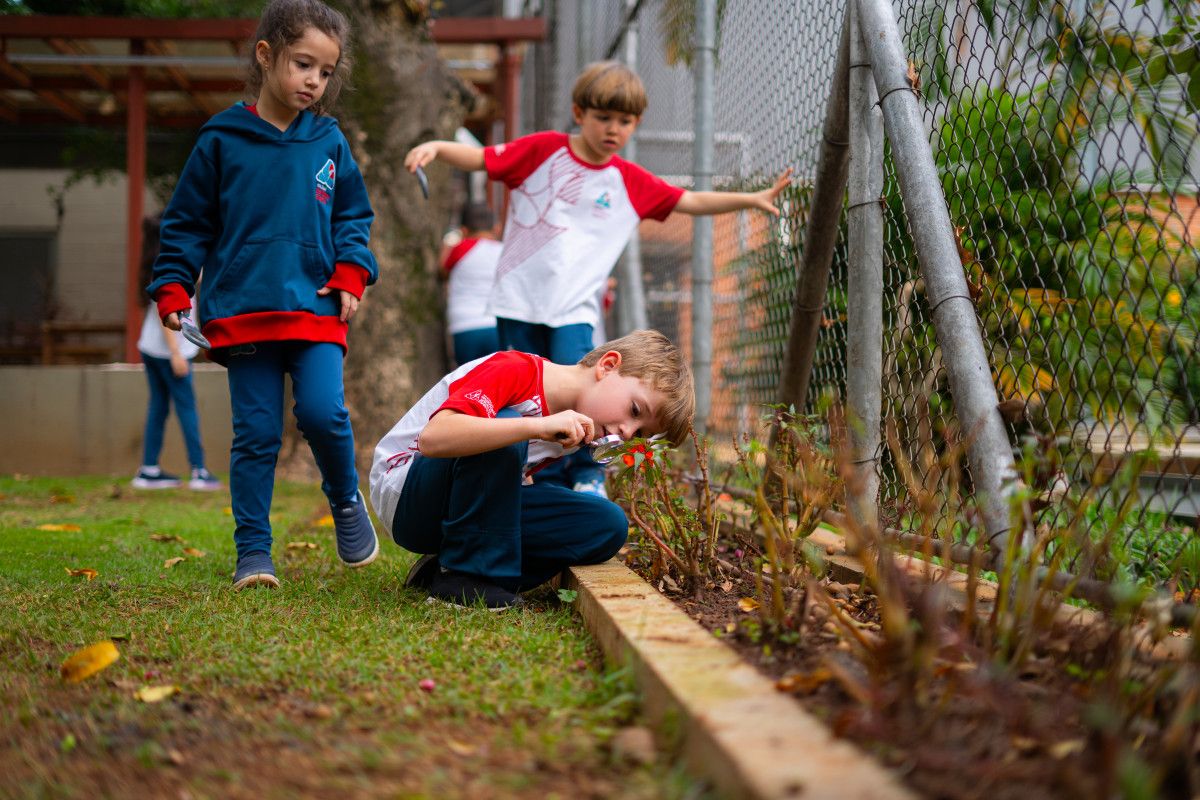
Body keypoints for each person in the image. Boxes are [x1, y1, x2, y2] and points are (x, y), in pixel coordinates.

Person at [404, 60, 789, 496]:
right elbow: (481, 158)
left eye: (624, 121)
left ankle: (588, 474)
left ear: (636, 124)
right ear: (579, 113)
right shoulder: (543, 151)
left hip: (574, 309)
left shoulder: (628, 182)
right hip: (519, 301)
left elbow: (690, 199)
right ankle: (536, 479)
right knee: (527, 400)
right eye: (603, 117)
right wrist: (437, 147)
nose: (612, 129)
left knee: (591, 388)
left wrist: (750, 198)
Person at [147, 0, 379, 590]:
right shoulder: (222, 139)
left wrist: (353, 271)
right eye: (304, 65)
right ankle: (254, 552)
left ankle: (345, 500)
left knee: (325, 414)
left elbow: (353, 215)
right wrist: (173, 284)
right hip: (245, 312)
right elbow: (187, 222)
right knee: (255, 435)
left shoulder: (328, 141)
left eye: (325, 72)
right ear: (266, 55)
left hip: (317, 307)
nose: (314, 81)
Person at [369, 329, 694, 610]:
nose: (626, 432)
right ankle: (463, 581)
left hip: (453, 509)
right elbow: (434, 438)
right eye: (635, 410)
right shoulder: (516, 370)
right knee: (507, 426)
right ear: (608, 366)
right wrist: (533, 428)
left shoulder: (577, 429)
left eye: (639, 433)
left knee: (606, 524)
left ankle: (445, 570)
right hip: (406, 493)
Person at [132, 214, 221, 492]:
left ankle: (148, 469)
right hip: (167, 351)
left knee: (158, 407)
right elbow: (167, 319)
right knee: (187, 408)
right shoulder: (166, 265)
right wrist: (176, 354)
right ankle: (199, 471)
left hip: (150, 348)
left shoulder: (158, 263)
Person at [442, 202, 501, 366]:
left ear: (464, 231)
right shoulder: (503, 251)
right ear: (496, 228)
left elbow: (442, 271)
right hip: (496, 326)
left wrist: (448, 244)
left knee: (468, 383)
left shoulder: (460, 249)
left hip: (464, 326)